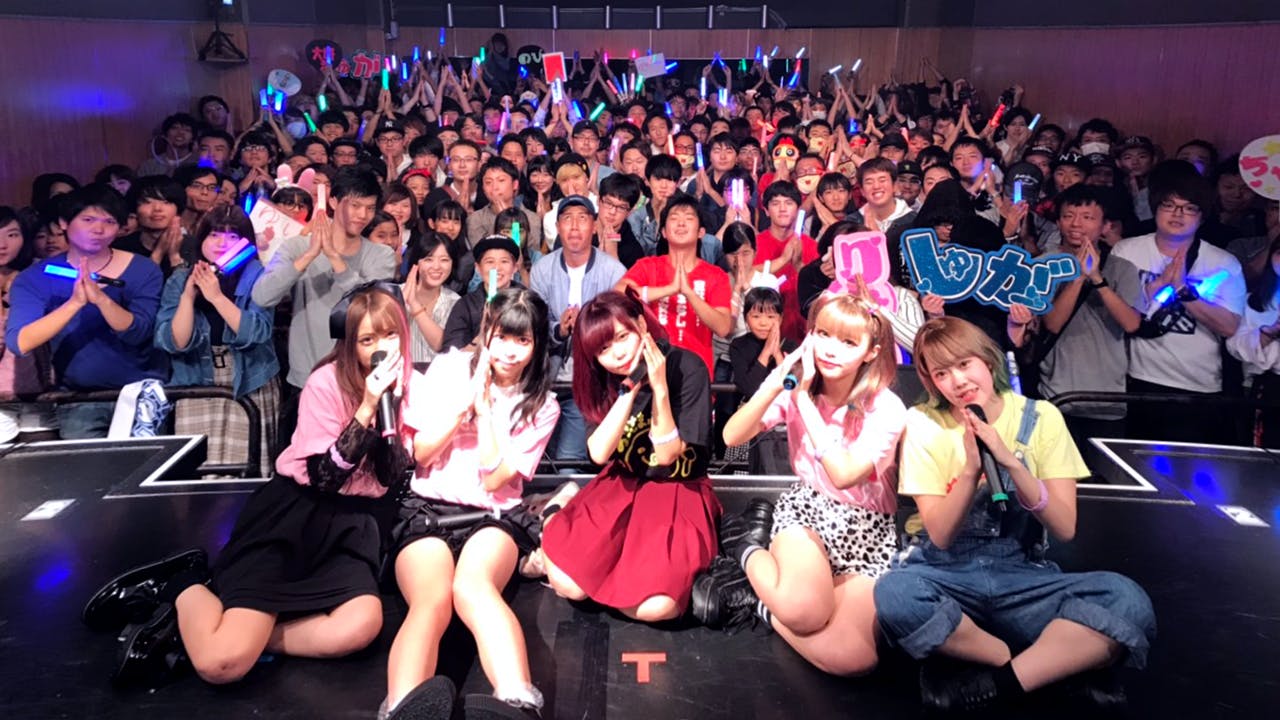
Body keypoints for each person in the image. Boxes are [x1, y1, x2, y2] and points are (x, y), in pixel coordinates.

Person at [81, 284, 413, 687]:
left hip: (351, 530)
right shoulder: (325, 382)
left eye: (390, 335)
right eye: (367, 339)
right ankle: (181, 584)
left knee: (359, 627)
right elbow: (326, 477)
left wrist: (392, 411)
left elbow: (391, 476)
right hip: (298, 516)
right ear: (349, 342)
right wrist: (367, 406)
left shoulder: (409, 386)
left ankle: (239, 636)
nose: (382, 348)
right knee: (222, 663)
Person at [874, 317, 1156, 712]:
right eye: (941, 373)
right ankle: (1028, 662)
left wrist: (1010, 462)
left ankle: (1000, 682)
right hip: (945, 572)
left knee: (1126, 599)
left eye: (964, 364)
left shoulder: (1041, 417)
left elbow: (1064, 526)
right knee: (895, 593)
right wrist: (971, 472)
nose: (957, 381)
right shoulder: (923, 422)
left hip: (1022, 576)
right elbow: (939, 534)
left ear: (987, 361)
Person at [696, 293, 903, 678]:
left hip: (868, 532)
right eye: (823, 335)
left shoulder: (886, 408)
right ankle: (744, 548)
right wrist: (775, 384)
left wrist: (803, 400)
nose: (831, 350)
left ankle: (762, 605)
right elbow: (731, 435)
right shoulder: (795, 388)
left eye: (848, 342)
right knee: (805, 612)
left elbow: (844, 473)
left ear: (871, 352)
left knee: (853, 658)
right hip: (808, 512)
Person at [384, 288, 559, 720]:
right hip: (428, 508)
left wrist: (486, 417)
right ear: (487, 330)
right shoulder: (448, 369)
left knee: (472, 587)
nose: (510, 351)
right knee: (432, 598)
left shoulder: (543, 404)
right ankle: (405, 710)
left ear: (537, 343)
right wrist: (465, 405)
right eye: (502, 337)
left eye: (523, 340)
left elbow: (495, 478)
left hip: (493, 516)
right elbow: (422, 453)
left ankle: (518, 702)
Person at [536, 291, 722, 623]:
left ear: (641, 325)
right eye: (603, 349)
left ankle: (605, 575)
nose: (617, 353)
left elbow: (667, 455)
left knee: (657, 606)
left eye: (623, 337)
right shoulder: (605, 378)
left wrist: (660, 389)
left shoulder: (687, 366)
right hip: (621, 484)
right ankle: (557, 512)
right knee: (567, 584)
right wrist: (629, 390)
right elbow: (598, 453)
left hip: (678, 489)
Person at [5, 185, 165, 438]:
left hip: (142, 393)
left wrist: (101, 300)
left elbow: (138, 332)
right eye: (88, 220)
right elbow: (20, 342)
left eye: (109, 222)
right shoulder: (36, 277)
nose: (99, 229)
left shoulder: (143, 269)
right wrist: (74, 304)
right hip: (77, 398)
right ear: (64, 222)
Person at [1110, 162, 1245, 443]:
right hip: (1134, 380)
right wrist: (1156, 286)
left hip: (1197, 387)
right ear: (1155, 208)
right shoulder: (1126, 251)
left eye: (1189, 208)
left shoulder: (1223, 263)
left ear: (1202, 216)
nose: (1177, 214)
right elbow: (1115, 313)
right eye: (1169, 205)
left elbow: (1230, 327)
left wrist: (1183, 290)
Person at [156, 206, 280, 477]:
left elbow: (257, 333)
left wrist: (216, 297)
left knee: (245, 473)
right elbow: (174, 343)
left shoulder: (258, 275)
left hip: (248, 379)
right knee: (197, 472)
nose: (222, 243)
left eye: (233, 236)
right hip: (196, 377)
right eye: (214, 234)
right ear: (201, 239)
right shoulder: (180, 278)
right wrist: (188, 297)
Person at [251, 169, 398, 392]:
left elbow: (373, 310)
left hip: (362, 377)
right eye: (355, 205)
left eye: (370, 208)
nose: (362, 215)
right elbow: (262, 296)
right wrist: (309, 255)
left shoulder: (381, 255)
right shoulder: (296, 247)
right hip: (307, 377)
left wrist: (333, 257)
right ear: (333, 201)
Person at [529, 195, 626, 468]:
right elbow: (534, 326)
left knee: (568, 459)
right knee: (540, 459)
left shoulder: (613, 271)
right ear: (557, 227)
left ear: (594, 227)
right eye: (567, 219)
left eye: (582, 219)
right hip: (546, 376)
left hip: (592, 376)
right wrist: (559, 329)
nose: (574, 226)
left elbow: (621, 327)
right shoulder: (542, 269)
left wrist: (587, 327)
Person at [617, 195, 732, 374]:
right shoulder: (647, 266)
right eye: (674, 218)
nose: (681, 224)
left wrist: (689, 294)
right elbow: (618, 294)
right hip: (651, 371)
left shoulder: (716, 275)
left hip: (696, 374)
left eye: (689, 218)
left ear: (701, 232)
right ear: (663, 232)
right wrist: (669, 290)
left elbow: (723, 328)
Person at [0, 207, 49, 443]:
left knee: (44, 455)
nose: (2, 245)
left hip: (38, 389)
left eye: (12, 235)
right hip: (2, 396)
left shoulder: (38, 274)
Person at [443, 235, 521, 351]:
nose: (496, 268)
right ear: (478, 268)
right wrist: (480, 338)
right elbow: (452, 353)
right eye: (490, 262)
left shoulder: (528, 301)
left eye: (504, 261)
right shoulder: (465, 306)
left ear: (515, 267)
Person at [401, 232, 461, 365]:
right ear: (416, 263)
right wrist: (399, 303)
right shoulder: (395, 294)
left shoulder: (455, 302)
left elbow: (442, 345)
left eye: (444, 260)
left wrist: (414, 305)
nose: (436, 266)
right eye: (429, 259)